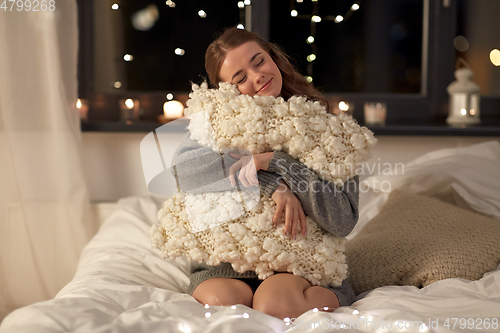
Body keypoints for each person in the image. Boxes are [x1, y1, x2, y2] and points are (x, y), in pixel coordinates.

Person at [172, 27, 359, 320]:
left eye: (258, 61)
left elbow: (343, 220)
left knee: (274, 306)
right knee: (225, 305)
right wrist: (274, 184)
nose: (256, 76)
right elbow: (184, 174)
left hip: (298, 263)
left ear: (273, 57)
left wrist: (278, 162)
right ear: (226, 90)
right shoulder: (214, 124)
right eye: (240, 77)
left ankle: (335, 294)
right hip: (228, 263)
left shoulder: (325, 128)